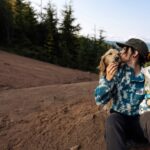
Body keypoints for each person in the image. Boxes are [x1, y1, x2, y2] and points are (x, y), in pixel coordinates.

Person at [94, 38, 150, 150]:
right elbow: (99, 101)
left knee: (149, 116)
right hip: (121, 127)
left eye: (124, 49)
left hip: (141, 126)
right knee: (112, 119)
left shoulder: (147, 75)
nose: (120, 52)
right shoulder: (115, 72)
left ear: (135, 53)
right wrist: (108, 80)